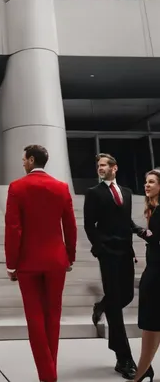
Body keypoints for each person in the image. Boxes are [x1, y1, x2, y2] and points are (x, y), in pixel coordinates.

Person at [5, 145, 77, 382]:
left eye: (24, 159)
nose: (22, 163)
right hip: (56, 260)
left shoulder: (17, 187)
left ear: (32, 159)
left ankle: (48, 376)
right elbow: (70, 226)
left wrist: (11, 264)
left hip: (27, 261)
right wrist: (70, 256)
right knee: (53, 317)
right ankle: (50, 372)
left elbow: (14, 229)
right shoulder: (62, 187)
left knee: (34, 319)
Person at [84, 153, 146, 381]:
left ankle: (101, 306)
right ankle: (124, 358)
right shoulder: (93, 193)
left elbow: (125, 221)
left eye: (103, 165)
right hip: (108, 253)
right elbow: (89, 224)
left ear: (114, 168)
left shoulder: (127, 192)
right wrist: (99, 249)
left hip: (126, 252)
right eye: (98, 165)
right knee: (116, 307)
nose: (100, 168)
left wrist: (140, 231)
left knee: (126, 296)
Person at [133, 169, 160, 382]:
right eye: (145, 182)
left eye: (151, 182)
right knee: (151, 325)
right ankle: (144, 370)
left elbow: (155, 238)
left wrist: (136, 230)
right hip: (153, 272)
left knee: (151, 325)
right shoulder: (154, 209)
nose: (147, 185)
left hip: (157, 275)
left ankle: (141, 374)